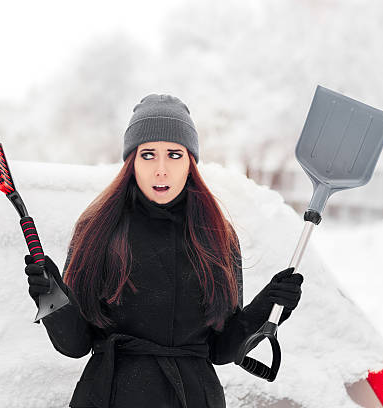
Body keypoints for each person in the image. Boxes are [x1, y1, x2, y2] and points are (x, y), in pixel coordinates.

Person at [24, 94, 304, 408]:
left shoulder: (216, 236)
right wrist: (50, 296)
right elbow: (74, 345)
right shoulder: (96, 229)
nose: (161, 169)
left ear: (190, 162)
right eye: (147, 155)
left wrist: (271, 306)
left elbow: (222, 349)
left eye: (173, 154)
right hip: (110, 396)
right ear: (131, 162)